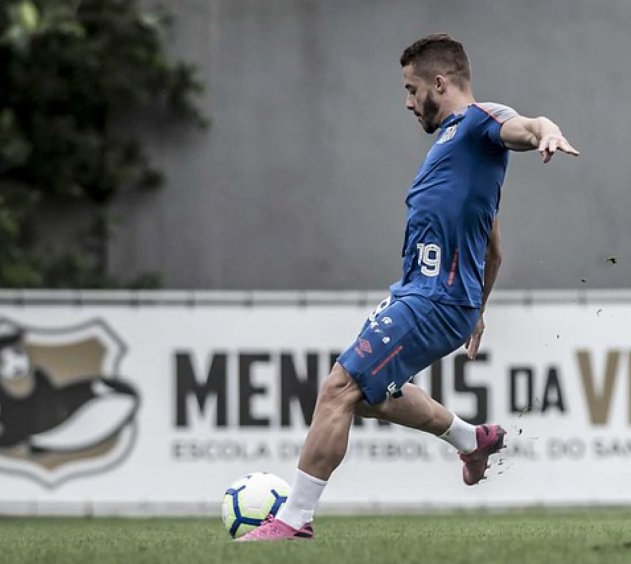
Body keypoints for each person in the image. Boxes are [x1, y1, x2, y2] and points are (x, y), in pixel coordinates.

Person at [238, 33, 579, 542]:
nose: (406, 101)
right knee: (372, 395)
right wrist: (478, 308)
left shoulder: (479, 122)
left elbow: (527, 127)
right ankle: (473, 438)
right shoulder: (461, 150)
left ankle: (293, 519)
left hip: (434, 298)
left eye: (410, 88)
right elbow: (493, 246)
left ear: (438, 83)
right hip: (425, 293)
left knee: (338, 389)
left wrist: (546, 131)